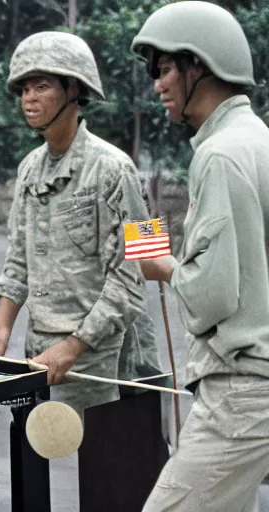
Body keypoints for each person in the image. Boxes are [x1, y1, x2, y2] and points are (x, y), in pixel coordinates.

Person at [0, 31, 163, 415]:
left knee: (108, 470)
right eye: (24, 89)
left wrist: (74, 345)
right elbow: (17, 261)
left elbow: (137, 272)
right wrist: (0, 327)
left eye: (41, 86)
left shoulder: (116, 168)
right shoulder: (29, 168)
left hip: (104, 358)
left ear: (73, 90)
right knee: (35, 460)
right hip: (40, 350)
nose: (29, 98)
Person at [130, 3, 269, 510]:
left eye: (165, 69)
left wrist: (163, 267)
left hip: (241, 393)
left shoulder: (220, 153)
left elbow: (212, 295)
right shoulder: (257, 141)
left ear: (200, 67)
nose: (158, 85)